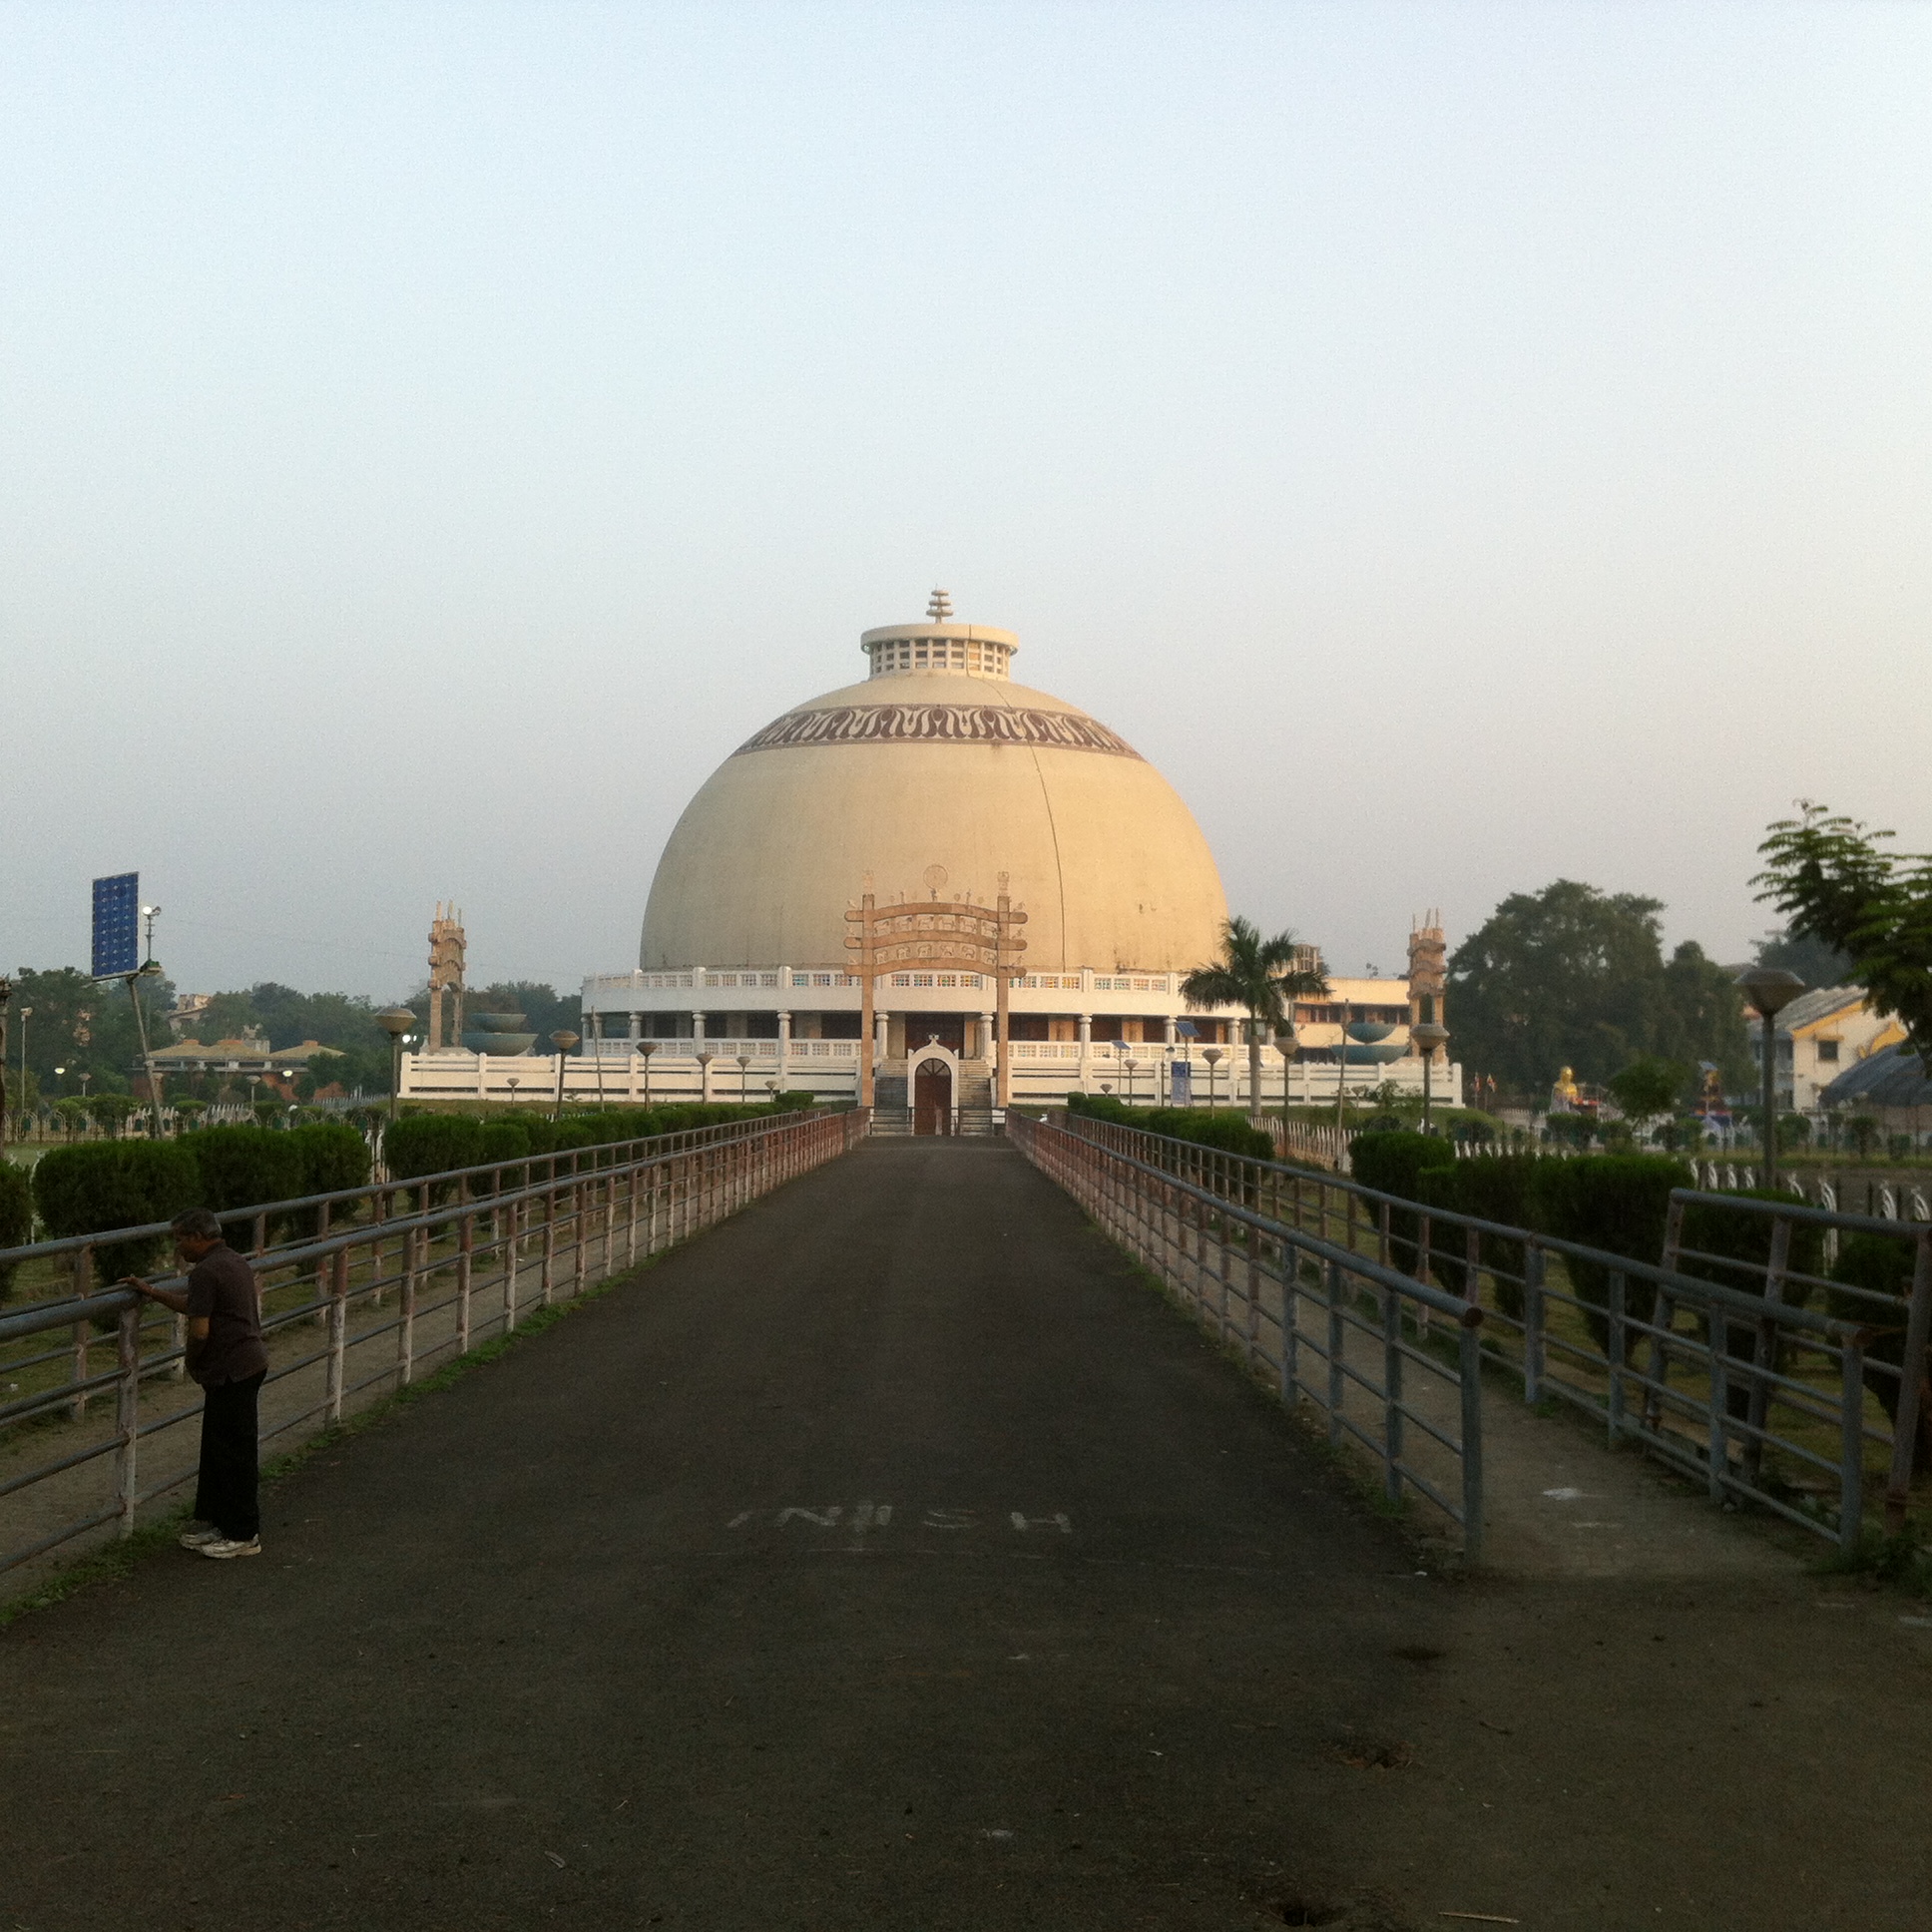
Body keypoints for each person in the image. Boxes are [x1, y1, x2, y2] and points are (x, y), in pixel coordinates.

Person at [124, 1208, 268, 1559]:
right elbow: (195, 1306)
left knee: (233, 1453)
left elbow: (199, 1329)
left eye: (180, 1239)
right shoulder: (232, 1261)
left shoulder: (205, 1271)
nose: (178, 1248)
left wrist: (192, 1362)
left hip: (230, 1370)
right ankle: (223, 1524)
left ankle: (243, 1533)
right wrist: (153, 1292)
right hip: (247, 1364)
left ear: (198, 1238)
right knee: (222, 1449)